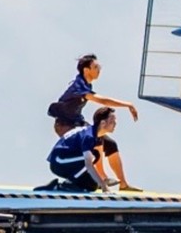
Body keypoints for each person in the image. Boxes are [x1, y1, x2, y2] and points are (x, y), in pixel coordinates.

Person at [49, 54, 141, 190]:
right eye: (96, 67)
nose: (99, 70)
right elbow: (102, 101)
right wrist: (127, 104)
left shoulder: (86, 84)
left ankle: (123, 184)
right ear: (86, 70)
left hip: (77, 123)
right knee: (95, 140)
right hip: (65, 125)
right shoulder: (78, 86)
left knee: (110, 144)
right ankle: (101, 177)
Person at [45, 108, 118, 193]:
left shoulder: (92, 133)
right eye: (112, 121)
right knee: (94, 156)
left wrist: (99, 182)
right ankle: (68, 183)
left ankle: (58, 185)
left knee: (91, 185)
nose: (115, 124)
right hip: (59, 162)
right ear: (103, 123)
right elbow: (88, 164)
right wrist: (104, 187)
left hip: (66, 161)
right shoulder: (89, 136)